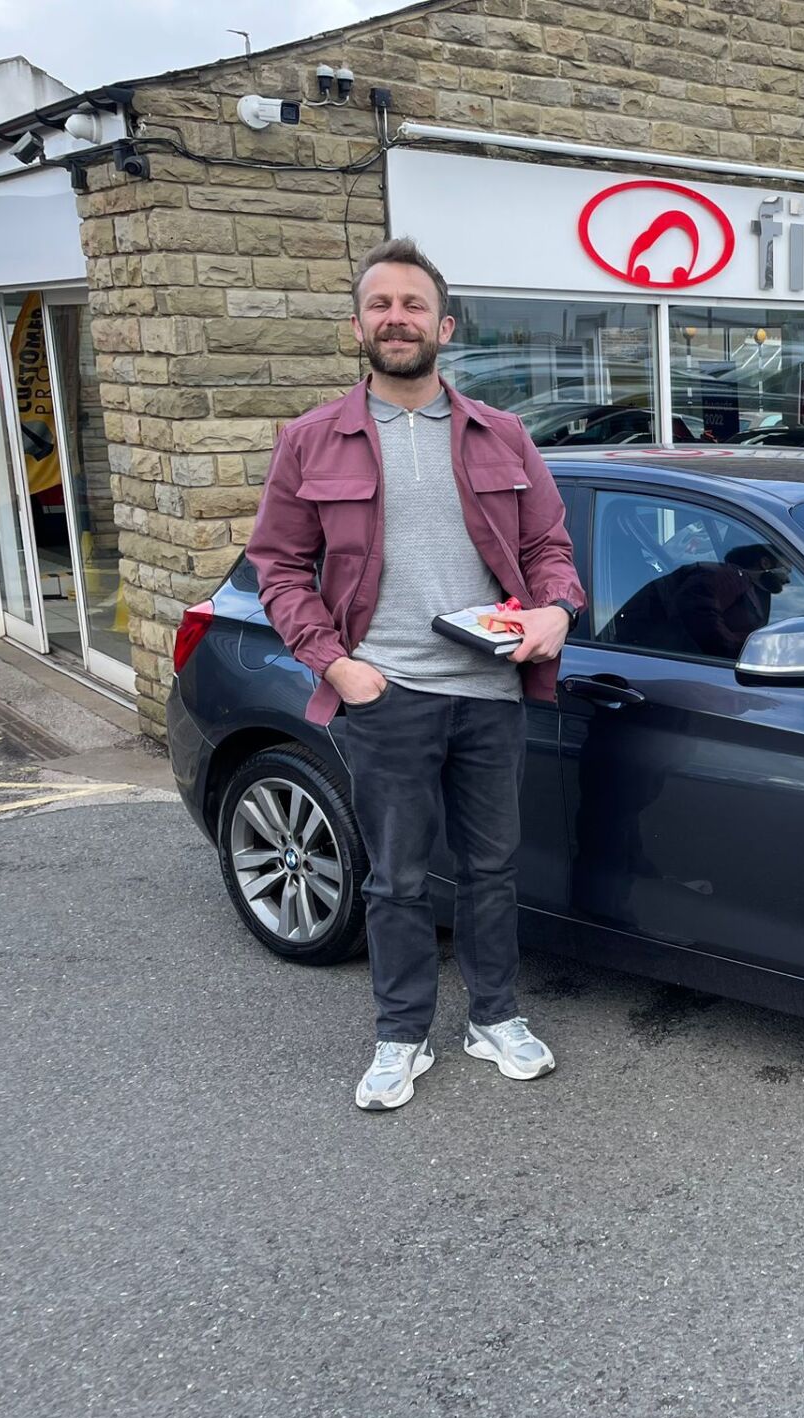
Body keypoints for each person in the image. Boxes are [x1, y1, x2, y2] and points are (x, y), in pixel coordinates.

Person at [245, 237, 587, 1111]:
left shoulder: (501, 434)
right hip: (386, 695)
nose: (395, 320)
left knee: (492, 868)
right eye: (379, 306)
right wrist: (337, 666)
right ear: (357, 324)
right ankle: (401, 1036)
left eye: (411, 306)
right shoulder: (311, 441)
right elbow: (278, 567)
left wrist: (555, 611)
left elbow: (550, 547)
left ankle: (493, 1018)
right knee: (395, 879)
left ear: (445, 324)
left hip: (489, 694)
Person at [608, 543, 788, 659]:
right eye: (787, 570)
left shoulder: (748, 587)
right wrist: (747, 649)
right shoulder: (727, 577)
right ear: (765, 563)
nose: (787, 580)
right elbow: (698, 615)